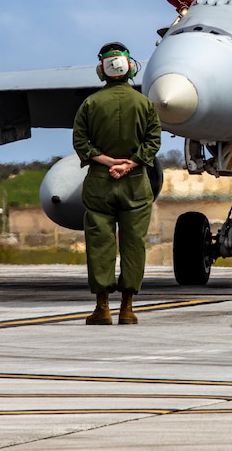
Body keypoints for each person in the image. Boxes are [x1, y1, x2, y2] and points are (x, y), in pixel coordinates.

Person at [72, 41, 162, 325]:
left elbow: (80, 141)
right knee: (134, 245)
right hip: (136, 184)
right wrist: (130, 164)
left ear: (102, 70)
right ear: (130, 67)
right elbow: (154, 141)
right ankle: (127, 308)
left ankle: (102, 308)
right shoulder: (145, 103)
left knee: (100, 244)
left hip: (100, 183)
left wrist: (109, 163)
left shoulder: (90, 104)